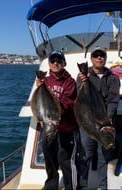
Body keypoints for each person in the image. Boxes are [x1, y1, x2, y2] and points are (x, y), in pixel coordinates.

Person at [76, 48, 120, 190]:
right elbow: (79, 95)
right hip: (88, 124)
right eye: (96, 56)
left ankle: (103, 186)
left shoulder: (113, 78)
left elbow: (113, 101)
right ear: (91, 59)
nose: (99, 58)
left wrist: (107, 118)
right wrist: (83, 82)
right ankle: (82, 186)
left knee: (104, 157)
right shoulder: (84, 76)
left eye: (102, 56)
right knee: (85, 156)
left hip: (105, 124)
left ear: (105, 58)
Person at [36, 50, 80, 190]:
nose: (55, 63)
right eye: (53, 60)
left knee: (65, 161)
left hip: (66, 129)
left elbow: (68, 103)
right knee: (49, 159)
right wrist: (40, 88)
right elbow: (38, 102)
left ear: (64, 64)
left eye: (59, 61)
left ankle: (71, 187)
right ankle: (51, 185)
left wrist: (53, 109)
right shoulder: (45, 81)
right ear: (49, 63)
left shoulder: (70, 82)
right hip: (49, 128)